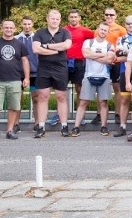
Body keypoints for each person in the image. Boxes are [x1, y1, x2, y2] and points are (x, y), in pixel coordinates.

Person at [32, 10, 72, 138]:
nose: (55, 21)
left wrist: (47, 47)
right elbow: (36, 49)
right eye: (52, 18)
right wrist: (55, 51)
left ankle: (64, 126)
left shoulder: (65, 32)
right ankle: (41, 126)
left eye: (57, 19)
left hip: (60, 68)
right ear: (47, 19)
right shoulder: (40, 33)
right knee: (43, 97)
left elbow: (66, 46)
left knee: (61, 96)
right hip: (44, 68)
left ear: (60, 20)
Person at [72, 22, 115, 137]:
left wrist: (94, 55)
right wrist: (102, 56)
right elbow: (86, 55)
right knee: (83, 102)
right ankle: (76, 127)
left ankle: (104, 126)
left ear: (107, 32)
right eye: (101, 29)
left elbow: (110, 60)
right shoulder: (88, 42)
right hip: (88, 76)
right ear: (97, 29)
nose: (103, 32)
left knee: (103, 102)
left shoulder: (110, 45)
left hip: (104, 77)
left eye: (105, 30)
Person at [113, 16, 132, 137]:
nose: (131, 26)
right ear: (125, 25)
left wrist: (127, 53)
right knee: (124, 100)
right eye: (129, 24)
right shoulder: (121, 39)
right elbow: (118, 55)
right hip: (125, 71)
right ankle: (122, 127)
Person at [64, 9, 95, 106]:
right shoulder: (63, 30)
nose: (73, 19)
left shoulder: (86, 31)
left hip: (79, 62)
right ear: (68, 18)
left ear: (79, 18)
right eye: (71, 17)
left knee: (80, 88)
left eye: (75, 17)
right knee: (62, 89)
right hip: (64, 61)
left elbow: (95, 42)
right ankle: (60, 115)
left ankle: (80, 115)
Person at [16, 17, 40, 132]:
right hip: (18, 74)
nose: (26, 26)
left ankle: (37, 123)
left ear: (32, 24)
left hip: (35, 73)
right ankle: (15, 124)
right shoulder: (16, 39)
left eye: (29, 24)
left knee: (36, 98)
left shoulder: (37, 38)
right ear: (21, 24)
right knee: (17, 99)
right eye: (24, 24)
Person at [103, 8, 127, 109]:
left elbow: (125, 47)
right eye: (107, 14)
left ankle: (117, 113)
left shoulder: (121, 29)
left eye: (111, 15)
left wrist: (117, 58)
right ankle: (100, 114)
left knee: (117, 88)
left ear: (116, 16)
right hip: (103, 62)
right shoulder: (100, 29)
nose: (109, 16)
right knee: (101, 88)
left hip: (117, 62)